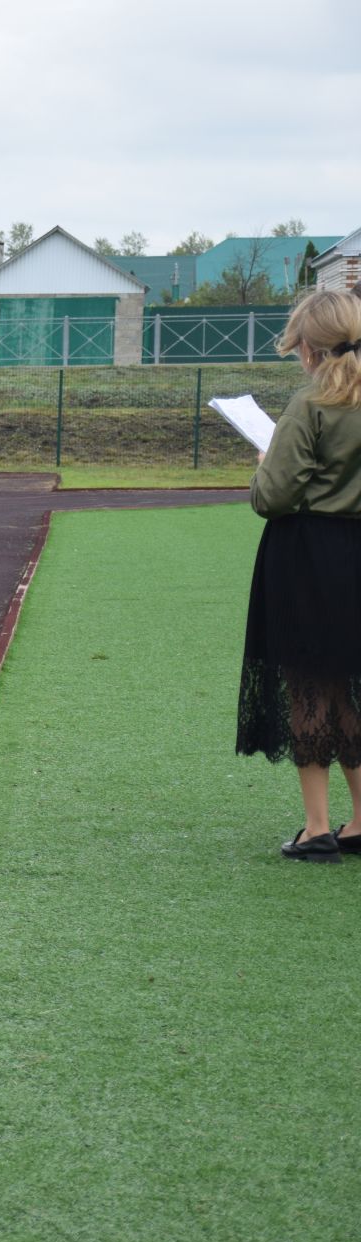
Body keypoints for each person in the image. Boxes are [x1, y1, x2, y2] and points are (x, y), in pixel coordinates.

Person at [237, 289, 361, 862]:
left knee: (311, 686)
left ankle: (317, 828)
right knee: (353, 685)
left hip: (310, 555)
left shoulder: (310, 405)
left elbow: (274, 497)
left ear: (307, 346)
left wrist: (264, 467)